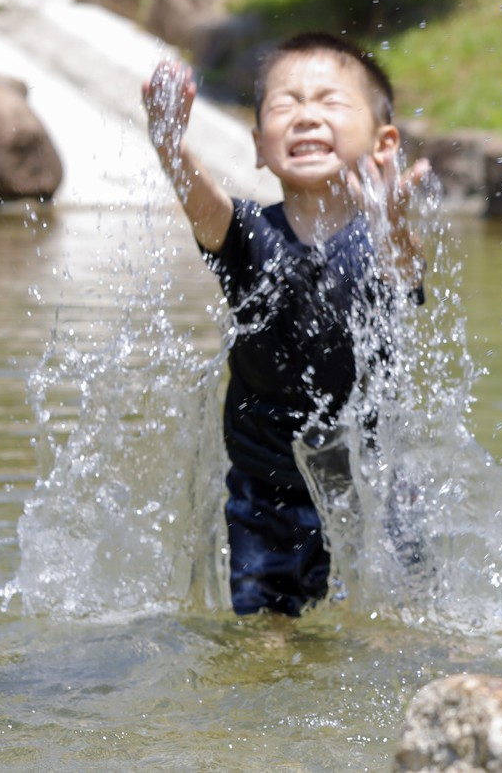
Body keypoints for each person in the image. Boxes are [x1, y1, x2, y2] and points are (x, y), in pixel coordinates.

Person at [142, 33, 430, 616]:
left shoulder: (382, 237)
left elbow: (405, 269)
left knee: (396, 629)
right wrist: (170, 144)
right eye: (284, 106)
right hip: (265, 497)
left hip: (374, 489)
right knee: (265, 642)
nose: (305, 117)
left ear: (384, 141)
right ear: (256, 146)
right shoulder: (246, 235)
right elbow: (205, 207)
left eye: (329, 102)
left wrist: (395, 220)